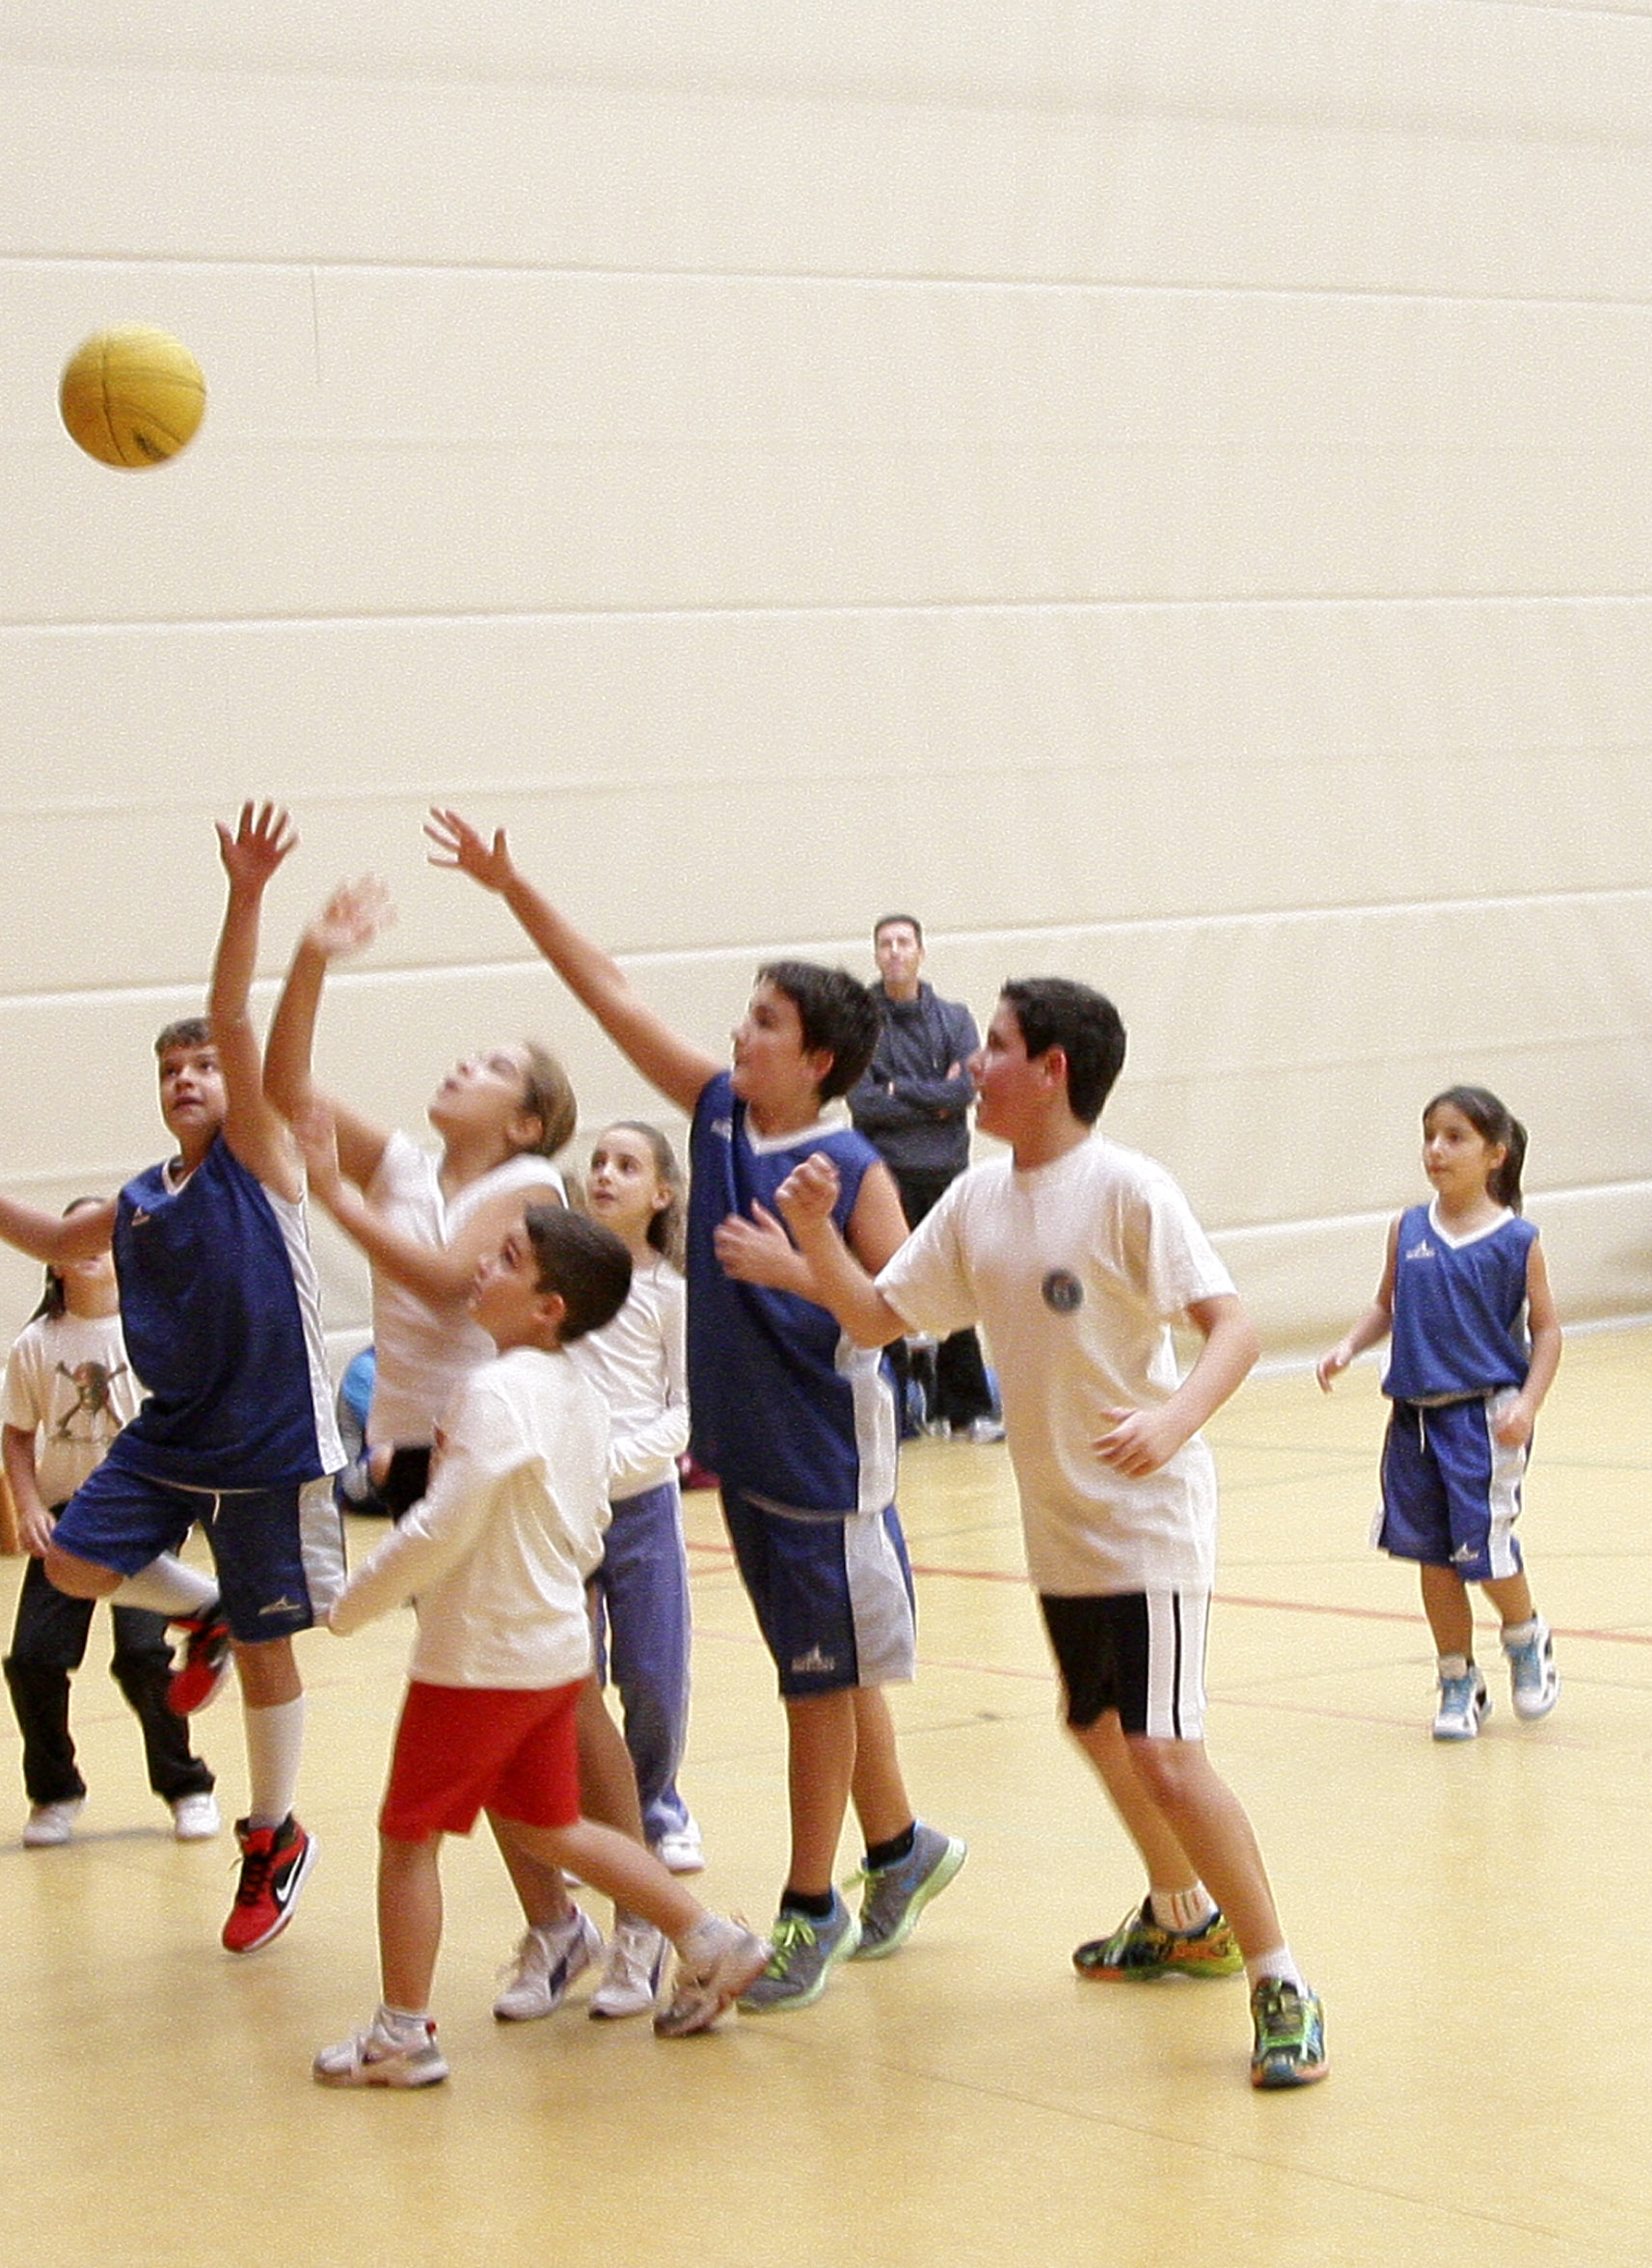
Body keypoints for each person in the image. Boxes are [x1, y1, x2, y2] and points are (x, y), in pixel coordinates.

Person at [721, 978, 1329, 2091]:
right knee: (1095, 1723)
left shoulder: (1129, 1189)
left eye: (993, 1048)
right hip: (1060, 1525)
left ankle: (1281, 1980)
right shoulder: (973, 1202)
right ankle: (1180, 1915)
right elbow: (872, 1317)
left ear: (1051, 1071)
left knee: (1167, 1754)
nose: (969, 1068)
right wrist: (812, 1235)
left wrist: (1172, 1416)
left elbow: (1232, 1326)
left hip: (1149, 1522)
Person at [428, 809, 962, 2015]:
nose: (740, 1030)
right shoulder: (720, 1110)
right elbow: (610, 993)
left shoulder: (856, 1172)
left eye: (766, 1022)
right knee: (825, 1671)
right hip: (754, 1458)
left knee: (815, 1684)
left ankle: (810, 1905)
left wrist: (799, 1265)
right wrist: (515, 887)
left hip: (829, 1467)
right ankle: (901, 1850)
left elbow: (901, 1317)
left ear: (818, 1057)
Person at [0, 802, 348, 1957]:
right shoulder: (144, 1194)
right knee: (69, 1559)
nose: (187, 1078)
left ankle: (273, 1834)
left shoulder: (261, 1155)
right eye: (170, 1069)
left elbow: (241, 1014)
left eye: (200, 1064)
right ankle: (200, 1619)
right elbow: (63, 1240)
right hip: (174, 1430)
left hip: (269, 1433)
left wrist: (247, 895)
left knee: (273, 1642)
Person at [308, 1206, 772, 2085]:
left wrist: (350, 1600)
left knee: (408, 1838)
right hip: (553, 1651)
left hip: (481, 1661)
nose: (485, 1265)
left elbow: (442, 1526)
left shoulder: (494, 1393)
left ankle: (402, 2035)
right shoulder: (578, 1396)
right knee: (547, 1826)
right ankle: (708, 1939)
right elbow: (588, 1520)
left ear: (549, 1306)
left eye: (509, 1260)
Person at [262, 871, 572, 1552]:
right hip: (406, 1436)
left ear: (526, 1124)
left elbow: (447, 1280)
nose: (465, 1065)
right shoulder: (401, 1167)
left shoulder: (532, 1182)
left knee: (503, 1633)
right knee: (446, 1631)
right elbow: (286, 1087)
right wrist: (312, 957)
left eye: (494, 1068)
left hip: (494, 1431)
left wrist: (338, 1197)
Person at [1314, 1088, 1564, 1741]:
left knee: (1484, 1553)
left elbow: (1549, 1332)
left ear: (1494, 1154)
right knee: (1432, 1558)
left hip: (1484, 1420)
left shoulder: (1516, 1240)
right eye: (1429, 1135)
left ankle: (1525, 1636)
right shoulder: (1408, 1228)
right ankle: (1458, 1679)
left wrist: (1529, 1404)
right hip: (1412, 1421)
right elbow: (1386, 1304)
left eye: (1454, 1137)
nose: (1435, 1150)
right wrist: (1348, 1346)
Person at [0, 1201, 224, 1847]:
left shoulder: (153, 1333)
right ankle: (53, 1792)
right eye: (76, 1236)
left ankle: (187, 1786)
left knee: (144, 1654)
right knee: (35, 1658)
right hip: (68, 1521)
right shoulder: (35, 1345)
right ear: (54, 1260)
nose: (93, 1247)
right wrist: (29, 1506)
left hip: (144, 1513)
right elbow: (17, 1438)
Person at [568, 1120, 702, 1907]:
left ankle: (657, 1804)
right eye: (597, 1163)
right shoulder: (564, 1287)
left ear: (661, 1194)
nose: (605, 1175)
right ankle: (590, 1820)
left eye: (626, 1165)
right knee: (570, 1677)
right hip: (563, 1517)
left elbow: (685, 1411)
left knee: (652, 1672)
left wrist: (618, 1461)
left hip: (643, 1505)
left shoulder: (672, 1293)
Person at [851, 916, 999, 1441]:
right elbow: (861, 1100)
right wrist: (928, 1094)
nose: (894, 952)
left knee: (956, 1286)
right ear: (875, 955)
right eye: (884, 944)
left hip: (945, 1171)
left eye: (903, 943)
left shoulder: (954, 1018)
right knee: (885, 1285)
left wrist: (897, 1090)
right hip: (882, 1174)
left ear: (921, 952)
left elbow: (964, 1093)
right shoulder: (860, 1020)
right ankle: (895, 1416)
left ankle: (967, 1409)